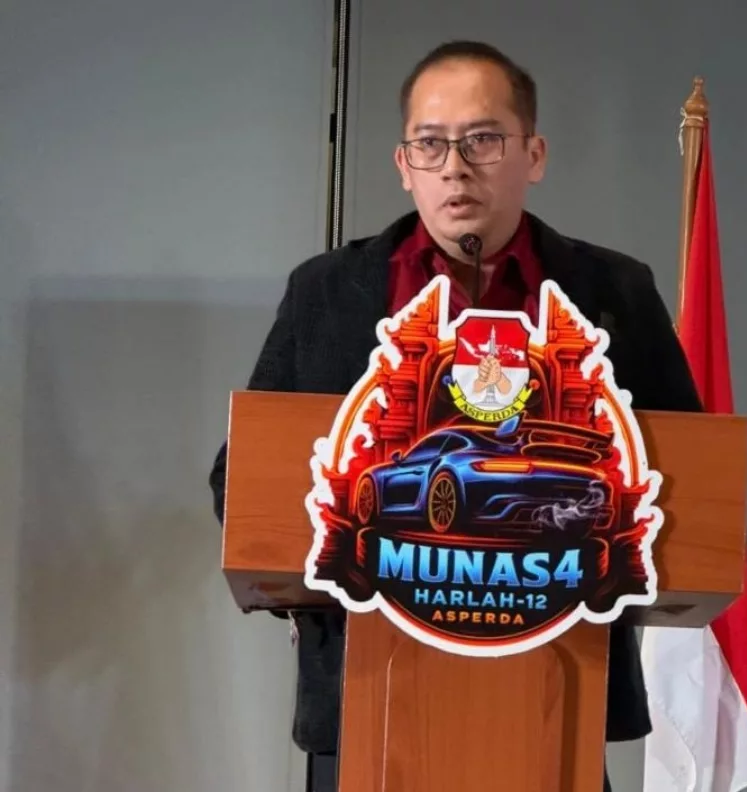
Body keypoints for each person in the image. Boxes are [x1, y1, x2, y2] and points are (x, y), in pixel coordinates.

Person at [209, 40, 706, 792]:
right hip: (366, 693)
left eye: (482, 140)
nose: (455, 167)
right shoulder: (327, 291)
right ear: (403, 164)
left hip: (560, 686)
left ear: (533, 155)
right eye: (431, 144)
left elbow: (687, 481)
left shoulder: (613, 292)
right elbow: (241, 479)